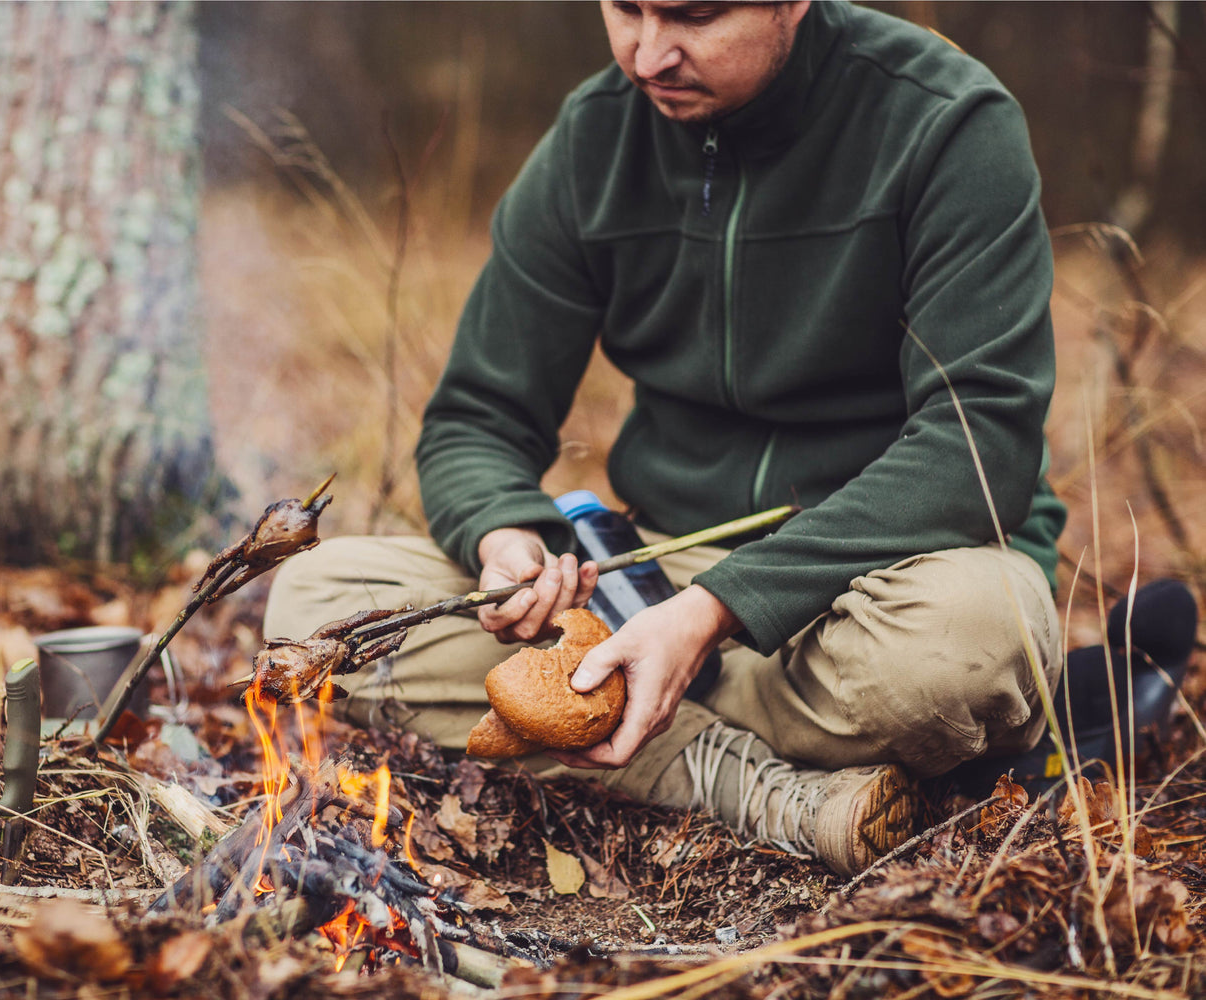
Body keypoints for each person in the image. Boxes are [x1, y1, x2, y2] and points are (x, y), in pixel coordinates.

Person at [265, 0, 1067, 877]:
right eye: (624, 9)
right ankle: (779, 788)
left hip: (873, 589)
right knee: (316, 607)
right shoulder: (596, 138)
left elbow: (976, 444)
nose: (647, 55)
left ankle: (671, 716)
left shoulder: (947, 123)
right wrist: (505, 537)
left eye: (691, 16)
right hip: (652, 572)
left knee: (972, 640)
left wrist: (714, 613)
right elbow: (477, 418)